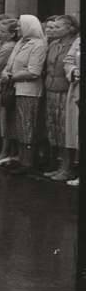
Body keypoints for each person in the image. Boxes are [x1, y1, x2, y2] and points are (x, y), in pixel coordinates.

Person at [0, 15, 47, 176]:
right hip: (15, 89)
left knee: (27, 127)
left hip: (29, 91)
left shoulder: (38, 44)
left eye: (20, 26)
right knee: (17, 126)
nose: (18, 29)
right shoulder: (21, 42)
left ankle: (28, 161)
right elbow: (10, 64)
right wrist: (6, 72)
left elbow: (34, 71)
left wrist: (11, 76)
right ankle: (19, 158)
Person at [42, 15, 79, 181]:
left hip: (66, 91)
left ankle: (67, 168)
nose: (53, 30)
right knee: (55, 130)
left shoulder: (75, 43)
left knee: (66, 131)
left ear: (70, 28)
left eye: (58, 27)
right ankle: (60, 166)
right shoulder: (53, 44)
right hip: (51, 89)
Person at [0, 19, 21, 166]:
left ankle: (5, 152)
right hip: (4, 82)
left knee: (4, 120)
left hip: (1, 83)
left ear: (11, 34)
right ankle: (5, 152)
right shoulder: (8, 45)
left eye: (2, 31)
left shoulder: (7, 47)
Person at [62, 35, 80, 186]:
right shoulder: (79, 40)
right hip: (78, 90)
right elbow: (68, 60)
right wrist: (74, 71)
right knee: (77, 132)